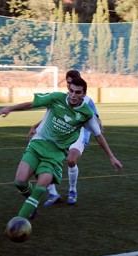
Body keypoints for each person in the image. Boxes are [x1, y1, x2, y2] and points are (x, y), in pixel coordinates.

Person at [0, 77, 122, 220]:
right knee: (19, 182)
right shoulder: (57, 98)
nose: (73, 95)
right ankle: (31, 204)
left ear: (84, 94)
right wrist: (10, 108)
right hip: (38, 144)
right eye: (71, 91)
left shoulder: (86, 114)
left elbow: (99, 136)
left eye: (78, 92)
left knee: (40, 187)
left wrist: (111, 157)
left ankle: (20, 220)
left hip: (55, 154)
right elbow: (31, 105)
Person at [28, 70, 100, 206]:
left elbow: (94, 118)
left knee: (71, 160)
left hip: (79, 134)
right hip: (60, 134)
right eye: (67, 83)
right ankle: (53, 193)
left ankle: (73, 190)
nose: (69, 85)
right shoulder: (63, 97)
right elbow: (52, 115)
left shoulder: (87, 101)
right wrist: (36, 126)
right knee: (46, 158)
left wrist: (99, 124)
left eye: (71, 82)